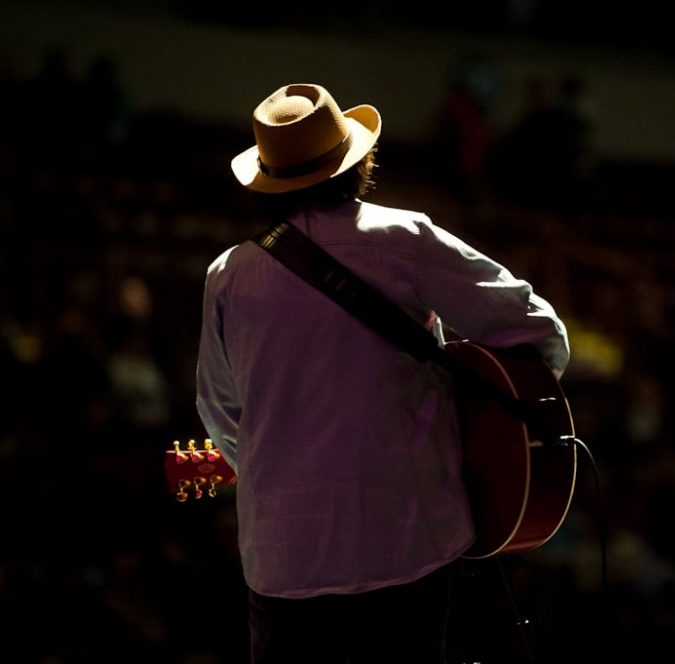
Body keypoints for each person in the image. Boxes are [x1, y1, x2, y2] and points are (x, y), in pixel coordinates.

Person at [195, 83, 570, 663]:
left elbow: (220, 413)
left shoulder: (227, 275)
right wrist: (485, 428)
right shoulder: (403, 239)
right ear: (357, 160)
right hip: (409, 541)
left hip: (283, 561)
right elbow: (536, 329)